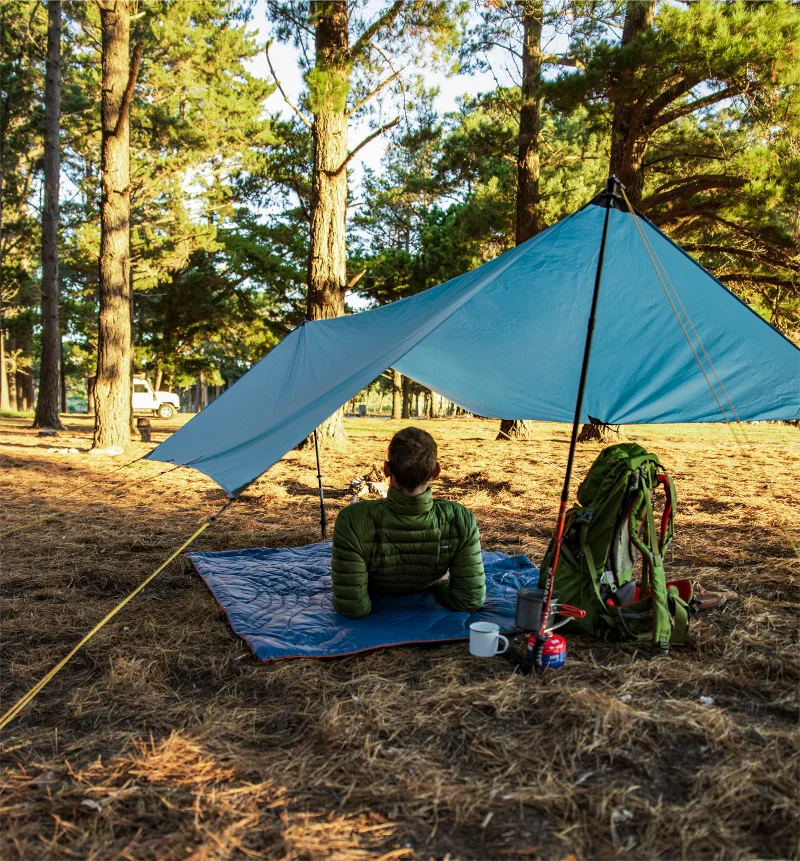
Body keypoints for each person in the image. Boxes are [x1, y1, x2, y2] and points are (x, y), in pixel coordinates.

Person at [331, 427, 486, 619]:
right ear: (436, 471)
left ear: (386, 469)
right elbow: (469, 599)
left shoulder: (351, 520)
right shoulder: (460, 519)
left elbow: (353, 607)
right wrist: (440, 584)